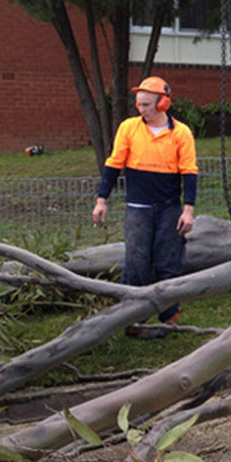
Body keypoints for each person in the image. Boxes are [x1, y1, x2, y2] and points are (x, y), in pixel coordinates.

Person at [92, 76, 198, 339]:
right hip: (137, 207)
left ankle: (169, 316)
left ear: (163, 103)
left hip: (169, 208)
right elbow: (114, 164)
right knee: (136, 261)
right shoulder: (129, 128)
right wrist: (101, 200)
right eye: (139, 104)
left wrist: (188, 210)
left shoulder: (181, 133)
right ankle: (132, 317)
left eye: (147, 105)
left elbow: (189, 172)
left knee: (168, 262)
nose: (141, 109)